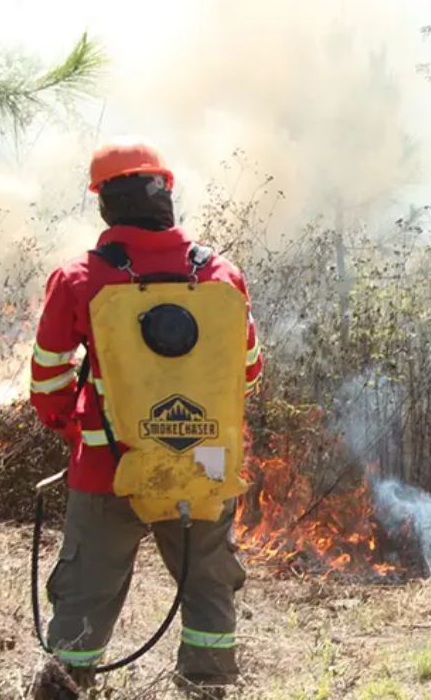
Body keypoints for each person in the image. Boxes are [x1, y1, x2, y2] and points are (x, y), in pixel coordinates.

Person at [29, 139, 263, 695]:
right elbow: (249, 373)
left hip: (110, 468)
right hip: (203, 466)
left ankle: (68, 687)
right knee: (208, 589)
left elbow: (48, 386)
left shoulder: (78, 279)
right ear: (167, 194)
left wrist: (86, 432)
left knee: (85, 596)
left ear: (105, 204)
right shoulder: (222, 275)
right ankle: (207, 688)